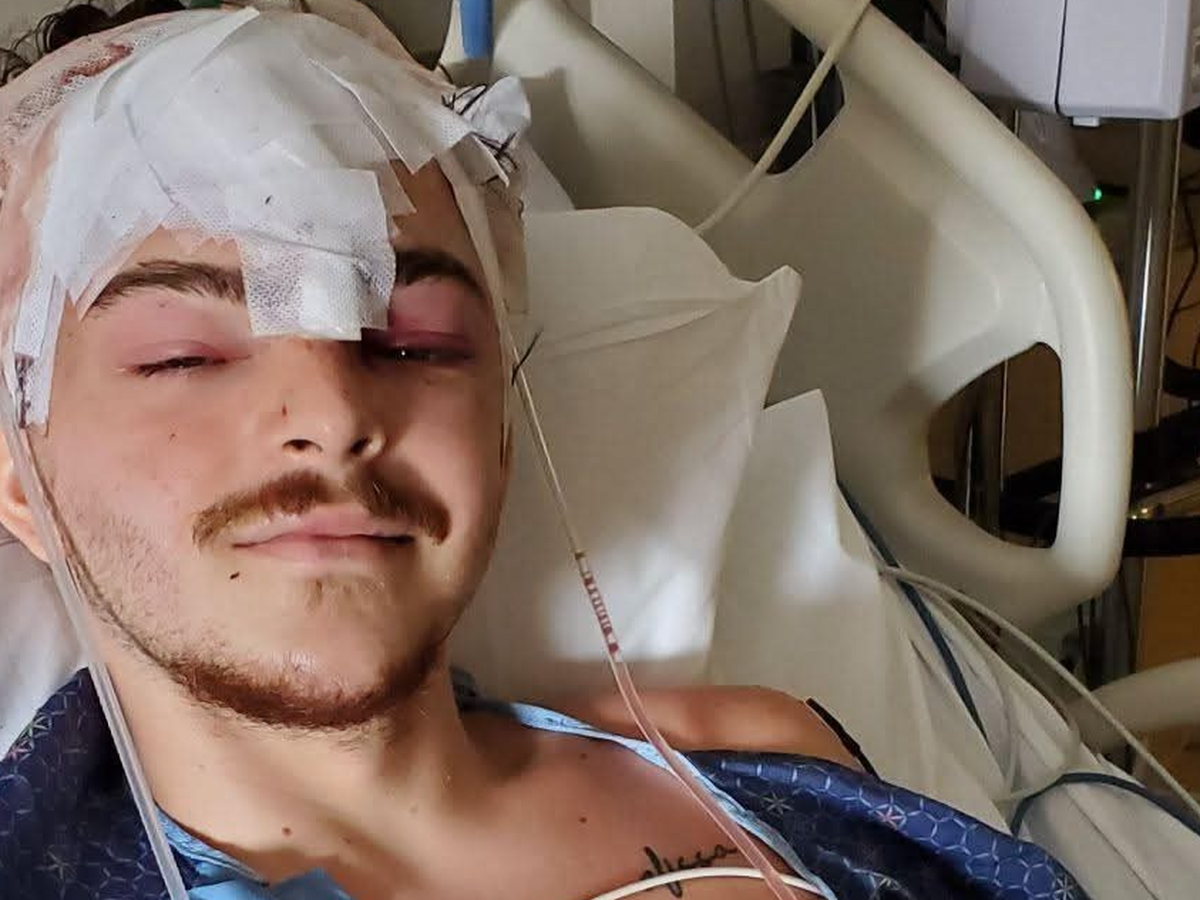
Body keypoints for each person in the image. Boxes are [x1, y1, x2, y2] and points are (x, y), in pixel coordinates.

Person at [0, 4, 1085, 899]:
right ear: (19, 478)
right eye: (183, 356)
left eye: (416, 343)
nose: (330, 412)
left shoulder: (756, 766)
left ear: (502, 437)